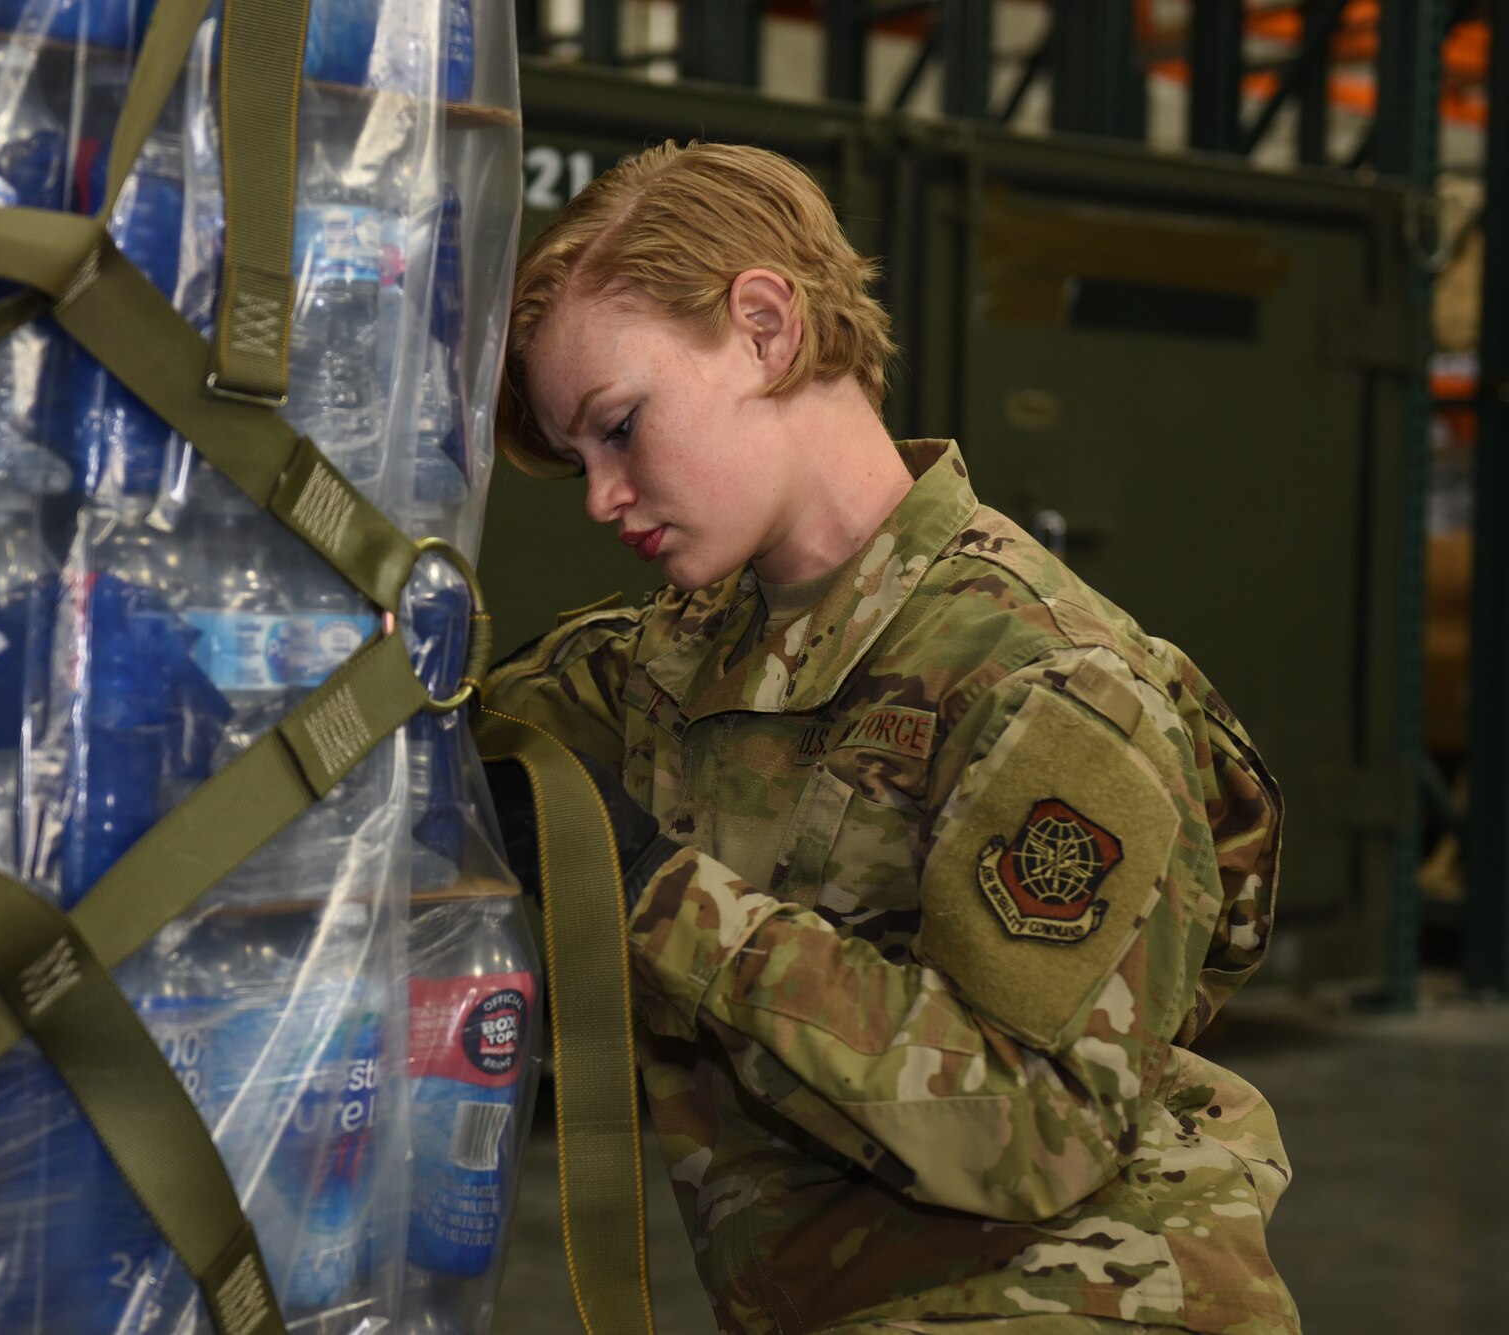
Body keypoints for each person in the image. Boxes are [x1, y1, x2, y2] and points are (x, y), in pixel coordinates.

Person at [479, 141, 1299, 1334]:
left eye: (619, 427)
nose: (601, 495)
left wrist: (655, 898)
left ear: (764, 326)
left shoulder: (1047, 678)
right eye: (579, 459)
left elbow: (1027, 1124)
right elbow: (455, 727)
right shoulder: (681, 657)